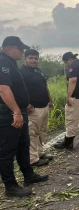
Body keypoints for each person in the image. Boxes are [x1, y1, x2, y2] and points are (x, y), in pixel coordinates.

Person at [0, 36, 48, 197]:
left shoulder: (11, 63)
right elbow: (3, 88)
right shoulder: (3, 62)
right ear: (9, 49)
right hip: (9, 114)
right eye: (20, 49)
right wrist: (16, 112)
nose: (22, 52)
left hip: (19, 111)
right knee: (7, 151)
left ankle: (28, 175)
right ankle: (10, 186)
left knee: (23, 145)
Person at [20, 49, 54, 167]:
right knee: (33, 133)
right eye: (31, 58)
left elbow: (45, 87)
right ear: (25, 59)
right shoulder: (21, 72)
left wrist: (50, 100)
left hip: (44, 107)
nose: (34, 61)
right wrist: (26, 104)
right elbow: (18, 90)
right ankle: (33, 158)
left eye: (36, 58)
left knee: (42, 131)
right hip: (33, 109)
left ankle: (40, 152)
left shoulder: (38, 71)